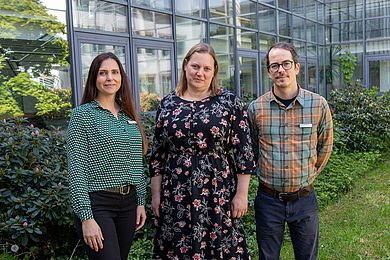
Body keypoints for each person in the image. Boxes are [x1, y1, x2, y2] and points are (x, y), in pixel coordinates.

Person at [149, 43, 256, 259]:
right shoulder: (168, 103)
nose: (200, 73)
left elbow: (244, 151)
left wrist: (242, 195)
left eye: (207, 68)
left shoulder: (229, 102)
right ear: (185, 66)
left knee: (220, 246)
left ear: (214, 71)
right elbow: (158, 154)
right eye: (196, 66)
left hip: (217, 191)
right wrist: (156, 194)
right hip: (176, 192)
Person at [248, 42, 333, 260]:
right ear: (268, 72)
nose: (280, 70)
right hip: (268, 201)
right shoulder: (256, 109)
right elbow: (252, 149)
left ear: (296, 67)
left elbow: (325, 146)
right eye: (274, 65)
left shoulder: (318, 105)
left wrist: (308, 175)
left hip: (304, 200)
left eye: (286, 63)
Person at [67, 52, 147, 260]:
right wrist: (86, 217)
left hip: (128, 204)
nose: (110, 78)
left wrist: (140, 201)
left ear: (121, 77)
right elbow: (77, 169)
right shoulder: (82, 115)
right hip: (98, 204)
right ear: (94, 78)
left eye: (114, 72)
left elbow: (137, 162)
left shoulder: (128, 115)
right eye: (103, 73)